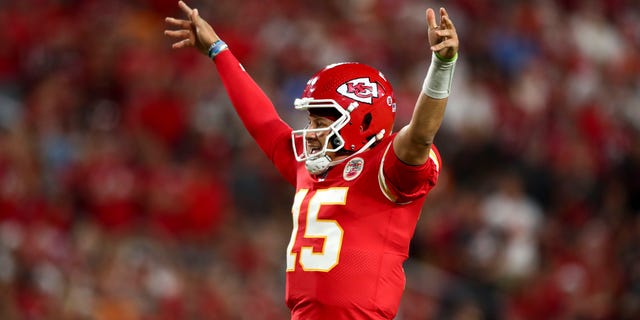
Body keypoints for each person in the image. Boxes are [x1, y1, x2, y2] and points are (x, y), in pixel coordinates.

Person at [164, 1, 459, 319]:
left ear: (363, 122)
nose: (311, 131)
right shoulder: (308, 162)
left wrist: (442, 65)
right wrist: (219, 51)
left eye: (322, 121)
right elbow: (263, 121)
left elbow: (419, 135)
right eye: (313, 120)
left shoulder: (385, 165)